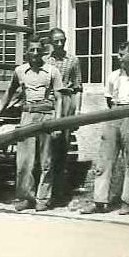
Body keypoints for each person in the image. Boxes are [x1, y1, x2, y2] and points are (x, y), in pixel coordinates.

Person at [0, 34, 63, 212]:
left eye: (38, 50)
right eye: (32, 50)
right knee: (24, 161)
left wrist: (57, 123)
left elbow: (59, 98)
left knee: (46, 161)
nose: (35, 53)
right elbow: (9, 93)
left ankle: (43, 198)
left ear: (44, 52)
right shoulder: (20, 71)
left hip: (47, 116)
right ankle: (24, 197)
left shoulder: (52, 71)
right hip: (27, 116)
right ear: (27, 52)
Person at [81, 41, 129, 215]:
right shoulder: (113, 77)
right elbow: (109, 100)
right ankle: (100, 202)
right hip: (114, 115)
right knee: (104, 159)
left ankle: (127, 202)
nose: (118, 57)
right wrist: (116, 115)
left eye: (122, 54)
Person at [46, 28, 83, 205]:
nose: (60, 44)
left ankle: (58, 193)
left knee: (61, 149)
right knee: (46, 149)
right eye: (56, 41)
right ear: (50, 43)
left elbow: (78, 88)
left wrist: (77, 112)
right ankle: (44, 191)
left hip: (67, 101)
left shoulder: (73, 60)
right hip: (49, 103)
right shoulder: (45, 61)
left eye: (63, 41)